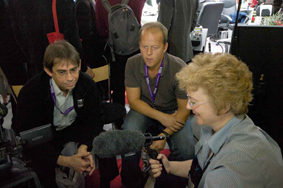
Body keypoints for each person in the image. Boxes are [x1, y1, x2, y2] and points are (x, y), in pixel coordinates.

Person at [150, 53, 283, 187]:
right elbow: (204, 166)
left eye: (194, 102)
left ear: (224, 105)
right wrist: (170, 166)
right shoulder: (219, 125)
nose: (188, 106)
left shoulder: (230, 172)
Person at [12, 40, 118, 187]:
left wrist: (84, 147)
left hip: (74, 127)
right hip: (47, 137)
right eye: (62, 72)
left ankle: (106, 182)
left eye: (74, 70)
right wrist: (66, 161)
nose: (70, 78)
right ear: (48, 71)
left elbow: (94, 120)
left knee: (105, 142)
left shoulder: (87, 84)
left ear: (80, 65)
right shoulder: (31, 93)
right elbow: (29, 137)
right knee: (41, 169)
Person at [122, 22, 195, 188]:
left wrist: (164, 134)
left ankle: (172, 182)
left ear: (165, 47)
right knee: (128, 138)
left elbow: (184, 110)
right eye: (144, 46)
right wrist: (162, 118)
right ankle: (131, 181)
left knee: (186, 150)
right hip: (143, 108)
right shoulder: (132, 63)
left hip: (173, 110)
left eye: (154, 47)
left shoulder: (179, 68)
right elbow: (133, 101)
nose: (148, 53)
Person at [8, 0, 94, 79]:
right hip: (64, 67)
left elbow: (17, 35)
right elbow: (71, 37)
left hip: (37, 68)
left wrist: (32, 56)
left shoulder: (15, 2)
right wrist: (82, 67)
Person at [95, 0, 146, 107]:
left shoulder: (101, 2)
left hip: (115, 52)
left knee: (118, 87)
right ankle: (141, 114)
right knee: (139, 83)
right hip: (136, 48)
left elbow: (100, 29)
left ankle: (119, 116)